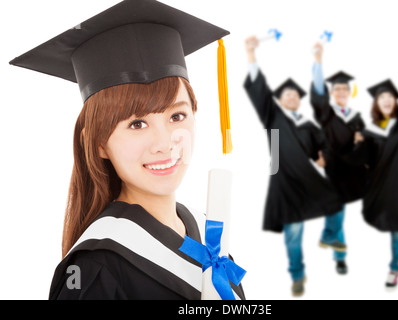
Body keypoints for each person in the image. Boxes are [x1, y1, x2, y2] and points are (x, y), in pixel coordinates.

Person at [10, 0, 244, 300]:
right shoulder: (95, 268)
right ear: (99, 144)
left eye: (177, 116)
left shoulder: (207, 235)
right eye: (136, 124)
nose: (165, 143)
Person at [244, 36, 343, 297]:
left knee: (336, 199)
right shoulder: (273, 116)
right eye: (286, 93)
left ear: (299, 99)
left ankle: (330, 235)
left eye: (294, 94)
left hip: (308, 178)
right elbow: (261, 93)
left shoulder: (309, 125)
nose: (290, 96)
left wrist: (323, 156)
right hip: (285, 181)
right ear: (280, 98)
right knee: (293, 234)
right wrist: (251, 54)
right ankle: (298, 275)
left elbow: (324, 145)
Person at [350, 46, 398, 288]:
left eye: (390, 97)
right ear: (376, 103)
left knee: (395, 227)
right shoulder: (369, 129)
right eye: (381, 97)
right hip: (375, 187)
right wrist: (357, 144)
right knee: (370, 219)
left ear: (396, 102)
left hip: (395, 187)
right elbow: (361, 160)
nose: (385, 99)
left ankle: (394, 268)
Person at [310, 42, 368, 275]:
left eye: (345, 90)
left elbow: (365, 147)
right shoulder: (327, 114)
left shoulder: (357, 118)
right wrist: (318, 61)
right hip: (334, 169)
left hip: (353, 170)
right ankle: (338, 252)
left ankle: (331, 239)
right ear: (333, 92)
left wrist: (360, 142)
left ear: (349, 92)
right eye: (338, 90)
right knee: (337, 209)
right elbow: (318, 95)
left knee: (338, 210)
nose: (342, 93)